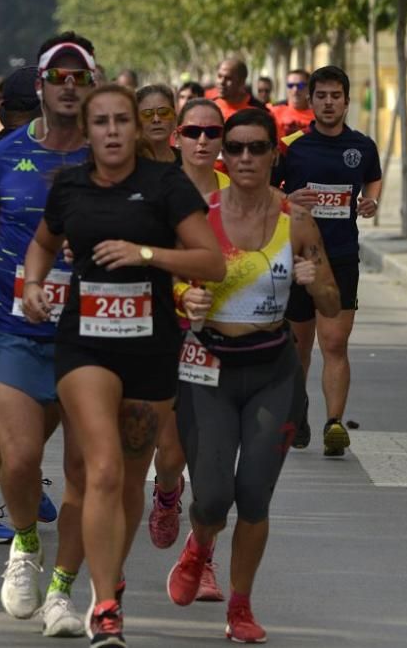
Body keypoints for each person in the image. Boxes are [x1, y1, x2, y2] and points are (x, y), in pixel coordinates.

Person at [21, 83, 225, 647]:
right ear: (86, 131)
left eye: (121, 121)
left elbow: (210, 261)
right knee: (103, 467)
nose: (111, 131)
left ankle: (108, 581)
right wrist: (35, 283)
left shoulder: (164, 184)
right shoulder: (71, 186)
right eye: (100, 122)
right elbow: (42, 243)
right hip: (84, 345)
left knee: (131, 480)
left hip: (149, 346)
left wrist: (147, 255)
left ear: (136, 129)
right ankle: (105, 605)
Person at [166, 107, 339, 644]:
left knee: (255, 496)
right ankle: (198, 546)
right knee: (214, 496)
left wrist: (313, 282)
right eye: (234, 147)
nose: (244, 158)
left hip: (272, 372)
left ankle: (240, 606)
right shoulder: (199, 216)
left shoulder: (298, 221)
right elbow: (170, 283)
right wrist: (187, 298)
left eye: (256, 148)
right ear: (223, 154)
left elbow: (333, 303)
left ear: (272, 154)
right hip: (207, 368)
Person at [0, 37, 95, 636]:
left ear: (91, 85)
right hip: (17, 330)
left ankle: (61, 592)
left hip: (93, 338)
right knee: (22, 457)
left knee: (85, 474)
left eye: (78, 76)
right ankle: (25, 544)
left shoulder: (111, 157)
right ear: (40, 84)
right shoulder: (5, 154)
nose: (67, 85)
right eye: (56, 75)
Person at [147, 97, 230, 604]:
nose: (203, 140)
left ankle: (204, 559)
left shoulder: (237, 191)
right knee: (173, 449)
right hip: (167, 330)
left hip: (225, 334)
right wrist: (181, 292)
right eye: (192, 131)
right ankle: (167, 491)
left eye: (212, 131)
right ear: (176, 137)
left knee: (215, 456)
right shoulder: (156, 190)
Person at [278, 65, 382, 455]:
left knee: (335, 343)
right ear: (310, 100)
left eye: (335, 96)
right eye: (320, 96)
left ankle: (334, 424)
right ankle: (297, 409)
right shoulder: (292, 146)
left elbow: (373, 177)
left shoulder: (362, 146)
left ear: (346, 101)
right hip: (299, 258)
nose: (328, 103)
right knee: (298, 345)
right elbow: (269, 191)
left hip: (340, 257)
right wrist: (288, 201)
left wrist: (370, 200)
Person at [136, 84, 178, 163]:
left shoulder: (187, 162)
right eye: (147, 114)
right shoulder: (127, 166)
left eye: (164, 112)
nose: (156, 119)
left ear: (174, 120)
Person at [270, 69, 315, 139]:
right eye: (290, 85)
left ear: (309, 88)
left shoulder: (319, 116)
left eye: (300, 85)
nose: (295, 90)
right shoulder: (273, 112)